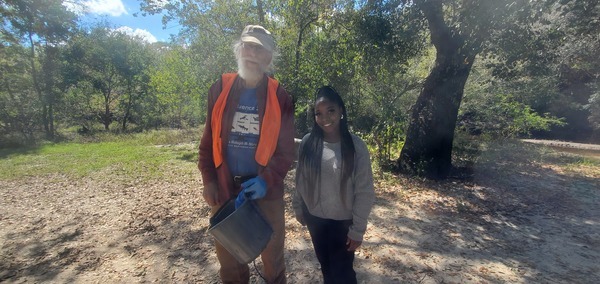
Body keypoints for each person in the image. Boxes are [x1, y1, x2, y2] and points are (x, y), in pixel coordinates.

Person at [198, 24, 295, 284]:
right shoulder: (220, 88)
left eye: (259, 49)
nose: (251, 53)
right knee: (230, 266)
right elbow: (208, 141)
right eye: (247, 46)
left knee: (273, 262)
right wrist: (208, 180)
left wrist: (267, 180)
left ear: (269, 57)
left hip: (267, 193)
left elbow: (286, 152)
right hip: (225, 191)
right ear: (238, 50)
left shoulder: (280, 96)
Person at [293, 86, 375, 284]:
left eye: (331, 110)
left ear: (341, 111)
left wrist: (358, 229)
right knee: (326, 267)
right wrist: (298, 207)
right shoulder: (308, 143)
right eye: (318, 113)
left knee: (343, 273)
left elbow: (364, 191)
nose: (325, 118)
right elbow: (300, 179)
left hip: (343, 224)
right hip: (315, 220)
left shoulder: (356, 146)